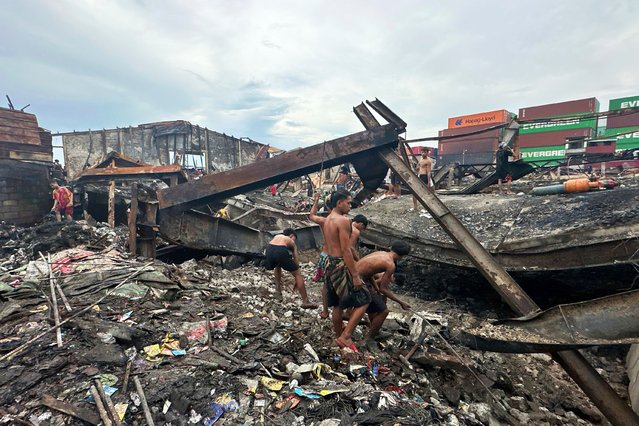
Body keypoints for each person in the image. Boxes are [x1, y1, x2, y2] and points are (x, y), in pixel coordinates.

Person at [323, 189, 370, 352]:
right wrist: (355, 275)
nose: (351, 206)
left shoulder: (328, 218)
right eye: (348, 202)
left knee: (337, 304)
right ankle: (346, 336)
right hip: (339, 264)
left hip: (328, 262)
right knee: (364, 299)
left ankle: (339, 338)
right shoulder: (343, 221)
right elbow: (346, 250)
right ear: (339, 203)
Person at [357, 241, 412, 344]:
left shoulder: (381, 253)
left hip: (354, 275)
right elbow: (384, 289)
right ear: (402, 256)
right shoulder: (390, 265)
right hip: (358, 281)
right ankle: (369, 340)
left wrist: (375, 290)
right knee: (384, 311)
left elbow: (370, 275)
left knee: (376, 306)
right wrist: (401, 303)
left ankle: (374, 330)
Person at [265, 228, 318, 309]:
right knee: (297, 274)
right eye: (294, 239)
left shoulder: (277, 236)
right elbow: (296, 259)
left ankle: (278, 291)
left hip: (269, 249)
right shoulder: (291, 241)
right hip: (280, 251)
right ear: (291, 235)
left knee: (277, 266)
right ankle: (305, 301)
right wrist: (297, 274)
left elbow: (275, 249)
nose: (294, 241)